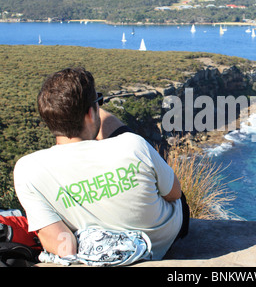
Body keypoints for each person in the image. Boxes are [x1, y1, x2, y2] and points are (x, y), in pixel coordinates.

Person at [13, 67, 189, 261]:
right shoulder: (133, 144)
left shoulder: (27, 170)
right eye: (98, 104)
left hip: (99, 249)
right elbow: (174, 193)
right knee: (122, 134)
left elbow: (61, 244)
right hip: (162, 239)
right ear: (90, 113)